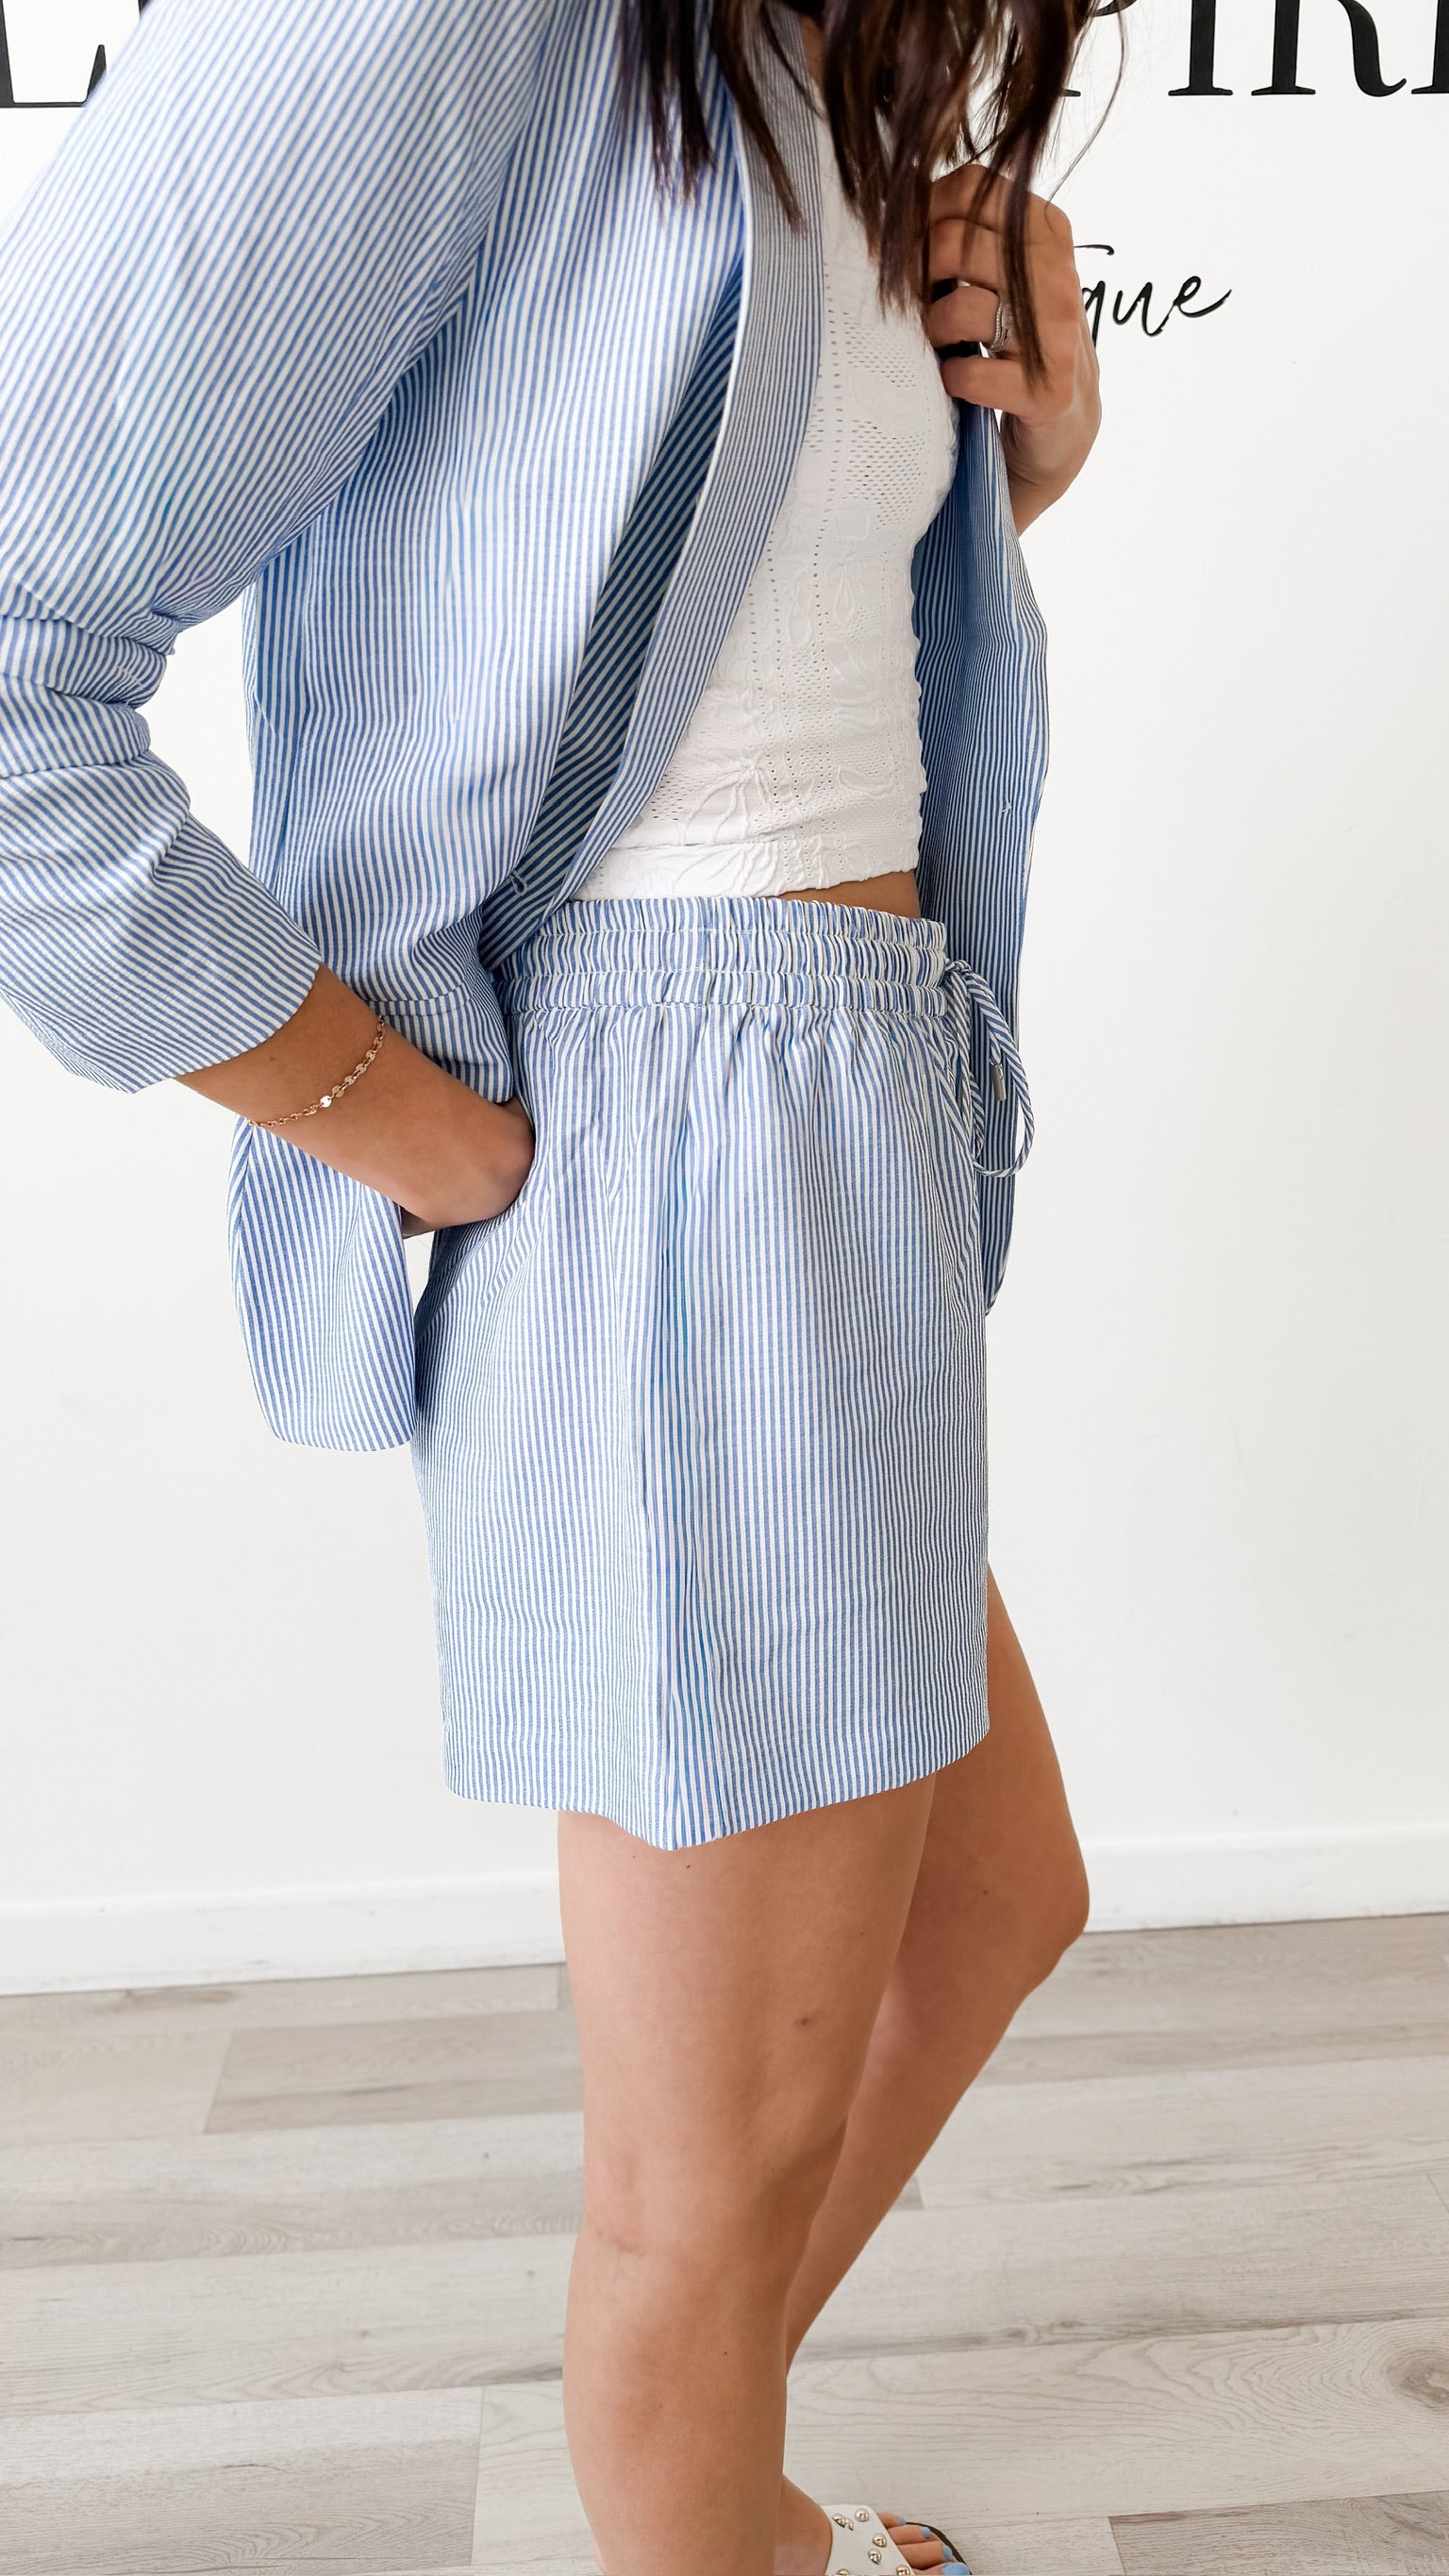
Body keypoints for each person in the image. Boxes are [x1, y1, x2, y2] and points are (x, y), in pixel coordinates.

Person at [0, 0, 1101, 2564]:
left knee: (985, 1910)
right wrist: (383, 1109)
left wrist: (999, 478)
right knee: (700, 2188)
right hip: (692, 1171)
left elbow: (668, 603)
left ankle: (709, 2474)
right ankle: (709, 2504)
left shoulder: (786, 55)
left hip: (839, 1124)